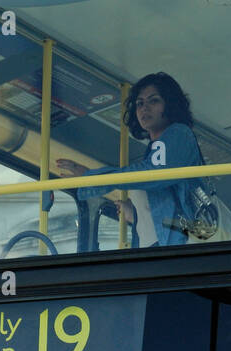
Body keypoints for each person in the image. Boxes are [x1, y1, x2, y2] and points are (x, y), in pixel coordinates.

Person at [55, 72, 209, 248]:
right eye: (139, 103)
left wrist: (94, 178)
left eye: (154, 100)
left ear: (170, 104)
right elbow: (163, 212)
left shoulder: (178, 134)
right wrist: (136, 214)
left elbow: (155, 175)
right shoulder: (153, 151)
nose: (145, 108)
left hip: (182, 247)